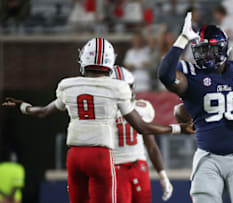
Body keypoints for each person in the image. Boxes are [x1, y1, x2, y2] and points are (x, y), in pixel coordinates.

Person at [2, 38, 194, 203]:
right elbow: (142, 127)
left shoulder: (68, 85)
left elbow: (44, 112)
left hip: (74, 156)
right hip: (100, 155)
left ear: (84, 58)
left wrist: (23, 106)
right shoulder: (117, 89)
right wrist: (178, 129)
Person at [158, 13, 233, 203]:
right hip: (208, 157)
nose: (204, 55)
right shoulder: (191, 74)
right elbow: (165, 75)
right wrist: (182, 39)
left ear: (223, 49)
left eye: (210, 50)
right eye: (201, 50)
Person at [111, 65, 173, 203]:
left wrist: (162, 175)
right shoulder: (105, 111)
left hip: (139, 165)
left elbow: (151, 145)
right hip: (115, 167)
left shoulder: (141, 107)